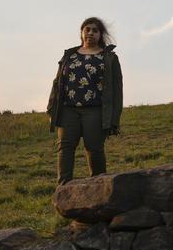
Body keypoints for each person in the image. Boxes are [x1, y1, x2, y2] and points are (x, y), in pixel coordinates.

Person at [47, 17, 123, 186]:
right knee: (65, 148)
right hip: (68, 109)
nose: (90, 33)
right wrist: (51, 108)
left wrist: (114, 119)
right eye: (87, 29)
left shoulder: (108, 57)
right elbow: (57, 82)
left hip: (95, 110)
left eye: (94, 30)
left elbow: (117, 90)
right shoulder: (70, 55)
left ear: (100, 35)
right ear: (81, 32)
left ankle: (99, 190)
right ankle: (63, 190)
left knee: (94, 149)